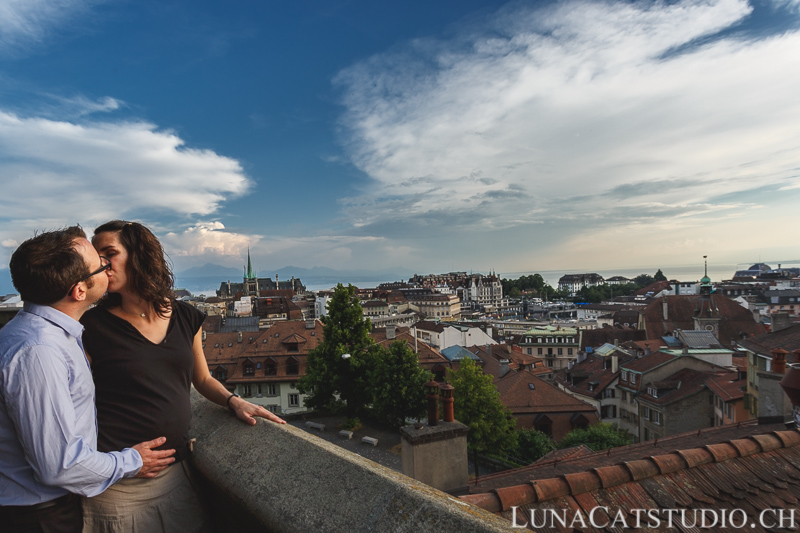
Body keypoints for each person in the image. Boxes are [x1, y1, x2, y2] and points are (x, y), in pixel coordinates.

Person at [80, 220, 286, 533]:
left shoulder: (185, 315)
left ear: (140, 256)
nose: (102, 265)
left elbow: (200, 379)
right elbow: (76, 403)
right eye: (98, 258)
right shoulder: (91, 326)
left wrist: (233, 401)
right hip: (119, 487)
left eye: (110, 253)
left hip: (177, 476)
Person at [0, 227, 176, 533]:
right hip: (39, 516)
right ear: (79, 290)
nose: (108, 268)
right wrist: (132, 461)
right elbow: (60, 465)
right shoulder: (39, 351)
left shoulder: (49, 333)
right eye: (101, 264)